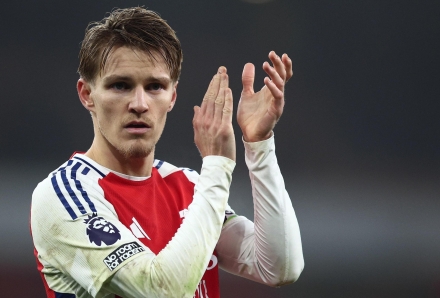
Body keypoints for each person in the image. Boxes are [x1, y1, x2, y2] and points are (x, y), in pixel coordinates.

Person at [31, 7, 304, 298]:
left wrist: (259, 145)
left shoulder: (189, 187)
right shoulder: (65, 196)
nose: (139, 103)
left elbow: (279, 267)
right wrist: (217, 165)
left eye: (154, 87)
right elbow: (159, 291)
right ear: (87, 95)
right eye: (120, 85)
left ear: (172, 96)